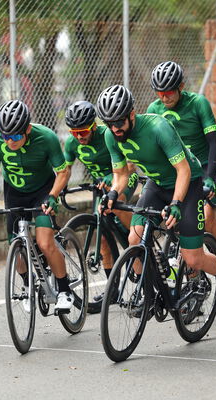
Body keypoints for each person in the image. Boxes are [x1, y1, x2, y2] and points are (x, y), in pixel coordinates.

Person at [96, 84, 216, 316]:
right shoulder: (110, 135)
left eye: (119, 123)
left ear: (132, 115)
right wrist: (114, 193)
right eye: (109, 123)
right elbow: (122, 173)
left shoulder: (158, 127)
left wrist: (176, 204)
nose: (115, 129)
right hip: (156, 184)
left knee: (193, 259)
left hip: (188, 182)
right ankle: (151, 296)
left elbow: (183, 170)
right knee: (135, 238)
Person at [0, 100, 74, 312]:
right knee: (17, 248)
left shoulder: (46, 137)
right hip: (15, 194)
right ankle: (28, 286)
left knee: (45, 243)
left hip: (43, 192)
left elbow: (64, 172)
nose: (10, 141)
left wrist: (53, 196)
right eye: (5, 136)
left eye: (17, 136)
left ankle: (65, 289)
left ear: (28, 129)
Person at [146, 61, 216, 270]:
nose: (164, 97)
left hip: (203, 168)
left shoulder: (198, 103)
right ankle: (188, 269)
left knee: (207, 219)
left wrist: (209, 177)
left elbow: (214, 143)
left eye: (169, 91)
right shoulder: (154, 108)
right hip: (177, 171)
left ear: (181, 86)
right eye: (159, 92)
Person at [63, 100, 138, 306]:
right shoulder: (71, 144)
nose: (79, 136)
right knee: (102, 237)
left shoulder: (108, 135)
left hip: (124, 178)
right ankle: (112, 291)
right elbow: (65, 170)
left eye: (84, 131)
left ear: (94, 126)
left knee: (118, 203)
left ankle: (140, 240)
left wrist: (111, 177)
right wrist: (60, 187)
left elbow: (130, 163)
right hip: (100, 186)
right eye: (74, 132)